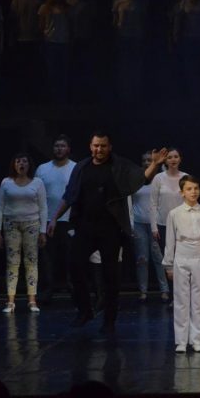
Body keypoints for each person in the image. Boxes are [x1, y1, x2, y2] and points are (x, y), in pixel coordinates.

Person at [47, 132, 167, 333]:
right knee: (74, 266)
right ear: (90, 146)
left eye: (103, 146)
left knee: (111, 275)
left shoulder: (119, 165)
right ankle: (85, 310)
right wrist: (54, 218)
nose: (99, 149)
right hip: (85, 225)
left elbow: (141, 179)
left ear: (109, 147)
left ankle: (109, 320)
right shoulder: (82, 167)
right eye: (96, 145)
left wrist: (154, 164)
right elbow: (69, 195)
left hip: (110, 227)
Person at [162, 175, 200, 352]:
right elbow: (170, 241)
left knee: (199, 299)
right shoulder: (174, 213)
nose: (193, 192)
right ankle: (181, 341)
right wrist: (169, 264)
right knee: (181, 299)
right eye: (189, 189)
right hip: (181, 258)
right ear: (182, 192)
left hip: (199, 257)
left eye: (196, 188)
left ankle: (197, 340)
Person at [0, 153, 48, 314]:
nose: (21, 164)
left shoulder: (37, 182)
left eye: (24, 161)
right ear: (14, 164)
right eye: (18, 161)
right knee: (12, 262)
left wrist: (43, 231)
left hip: (32, 224)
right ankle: (11, 301)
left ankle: (32, 300)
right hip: (11, 224)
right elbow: (0, 207)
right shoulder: (6, 182)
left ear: (29, 164)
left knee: (31, 262)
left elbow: (43, 207)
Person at [34, 134, 75, 305]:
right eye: (57, 146)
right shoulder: (42, 169)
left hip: (69, 220)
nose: (59, 149)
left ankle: (74, 290)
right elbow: (36, 195)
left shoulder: (75, 167)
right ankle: (46, 291)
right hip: (47, 220)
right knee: (47, 259)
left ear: (68, 149)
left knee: (71, 258)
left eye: (62, 146)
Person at [130, 152, 169, 303]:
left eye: (150, 160)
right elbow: (129, 202)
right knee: (142, 259)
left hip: (155, 223)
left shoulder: (160, 179)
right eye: (144, 160)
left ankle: (164, 290)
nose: (147, 162)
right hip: (139, 223)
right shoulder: (137, 179)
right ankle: (143, 291)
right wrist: (131, 224)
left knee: (159, 257)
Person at [150, 149, 188, 283]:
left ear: (180, 159)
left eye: (176, 156)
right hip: (163, 226)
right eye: (170, 157)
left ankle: (183, 291)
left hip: (183, 225)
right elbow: (153, 203)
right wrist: (154, 227)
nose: (173, 160)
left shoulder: (186, 177)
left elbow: (190, 201)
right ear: (165, 160)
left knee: (182, 260)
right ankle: (172, 293)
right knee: (169, 262)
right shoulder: (158, 178)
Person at [7, 0, 43, 100]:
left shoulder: (38, 1)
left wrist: (41, 38)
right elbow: (12, 21)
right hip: (20, 40)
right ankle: (21, 96)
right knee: (21, 70)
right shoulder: (16, 0)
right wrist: (11, 38)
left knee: (33, 70)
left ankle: (33, 96)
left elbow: (41, 22)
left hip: (34, 40)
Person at [39, 0, 71, 103]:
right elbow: (41, 26)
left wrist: (70, 39)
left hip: (63, 42)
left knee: (63, 71)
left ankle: (62, 97)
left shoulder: (66, 8)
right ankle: (52, 97)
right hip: (50, 42)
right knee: (51, 71)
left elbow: (70, 25)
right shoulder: (44, 8)